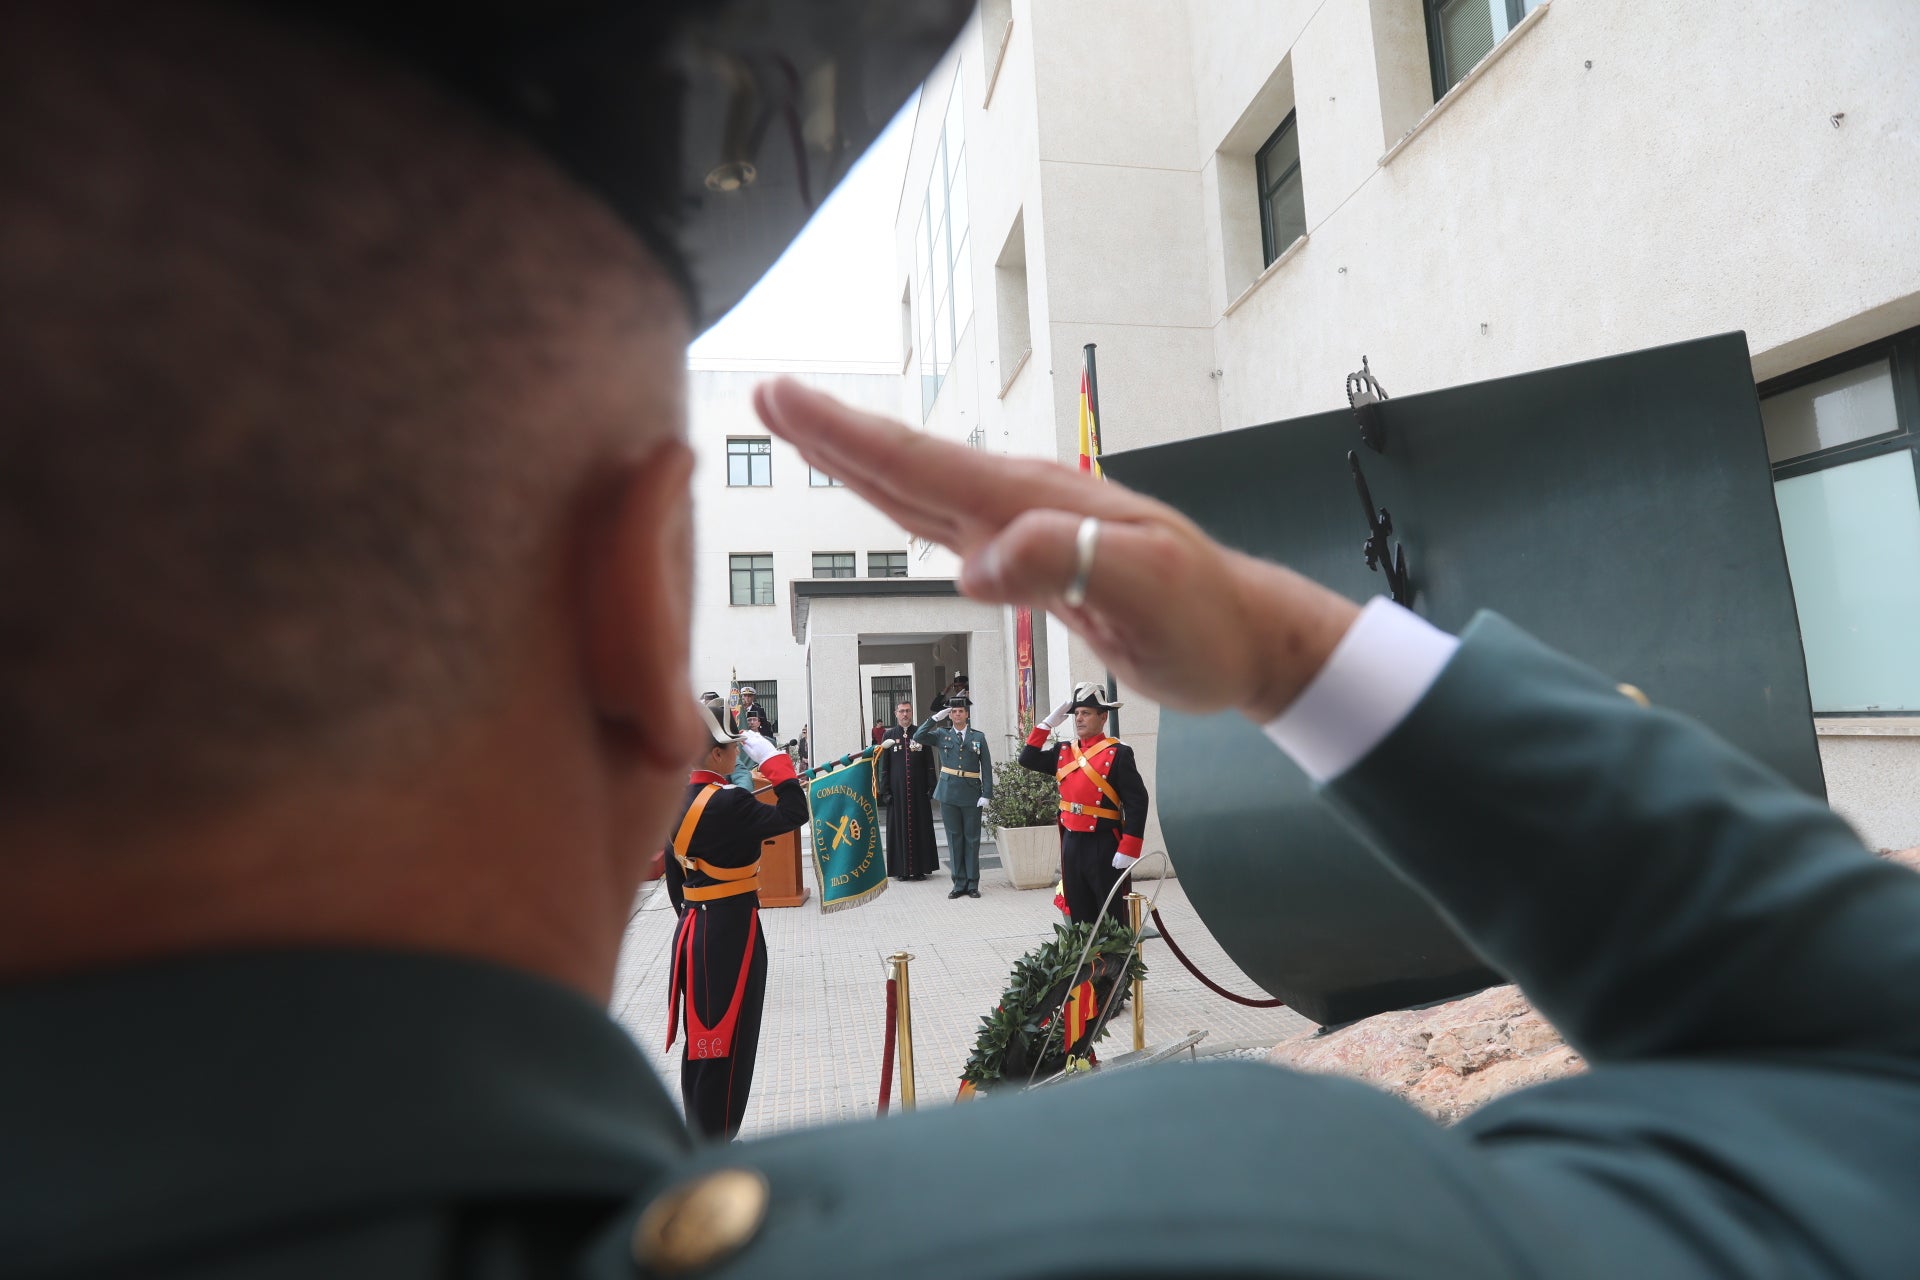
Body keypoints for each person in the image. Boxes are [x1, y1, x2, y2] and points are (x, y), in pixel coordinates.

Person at [11, 5, 1920, 1277]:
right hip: (736, 945)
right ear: (637, 597)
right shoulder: (1256, 1227)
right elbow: (1870, 1068)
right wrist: (1284, 647)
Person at [666, 695, 808, 1139]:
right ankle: (717, 1143)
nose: (738, 753)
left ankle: (700, 1135)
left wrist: (696, 912)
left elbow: (675, 878)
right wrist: (774, 760)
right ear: (714, 753)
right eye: (733, 746)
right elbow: (794, 812)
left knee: (703, 1043)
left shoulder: (673, 798)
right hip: (731, 931)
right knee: (729, 1042)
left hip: (694, 928)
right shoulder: (729, 801)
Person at [1020, 683, 1149, 926]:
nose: (1079, 718)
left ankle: (1114, 963)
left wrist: (1129, 847)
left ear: (1103, 717)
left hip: (1103, 841)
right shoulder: (1064, 751)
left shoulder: (1118, 753)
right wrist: (1045, 725)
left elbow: (1137, 801)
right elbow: (1027, 758)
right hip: (1071, 840)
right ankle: (1086, 961)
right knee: (1079, 910)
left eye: (1086, 713)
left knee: (1111, 912)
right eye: (1076, 713)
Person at [914, 694, 994, 899]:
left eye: (961, 711)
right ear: (950, 715)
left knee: (972, 839)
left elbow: (985, 766)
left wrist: (986, 793)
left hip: (971, 793)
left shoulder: (978, 737)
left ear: (967, 714)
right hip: (949, 793)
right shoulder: (942, 734)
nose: (957, 714)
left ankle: (972, 883)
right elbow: (918, 737)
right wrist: (934, 719)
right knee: (954, 839)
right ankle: (958, 883)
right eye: (954, 712)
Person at [877, 699, 940, 881]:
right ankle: (901, 870)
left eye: (908, 711)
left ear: (911, 713)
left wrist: (931, 786)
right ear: (896, 713)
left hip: (919, 791)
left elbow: (929, 762)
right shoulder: (889, 736)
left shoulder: (920, 733)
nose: (905, 714)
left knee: (921, 828)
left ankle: (920, 869)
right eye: (902, 711)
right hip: (897, 794)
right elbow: (884, 766)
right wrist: (885, 791)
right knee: (898, 829)